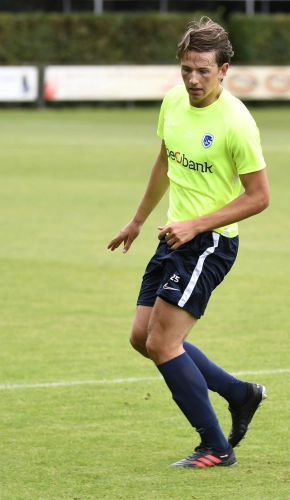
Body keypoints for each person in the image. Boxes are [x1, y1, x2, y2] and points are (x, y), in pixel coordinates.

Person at [107, 17, 270, 468]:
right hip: (174, 235)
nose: (192, 80)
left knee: (163, 343)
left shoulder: (237, 123)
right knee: (143, 338)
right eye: (186, 70)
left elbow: (260, 198)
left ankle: (215, 447)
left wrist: (198, 225)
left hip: (211, 242)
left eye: (202, 71)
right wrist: (137, 221)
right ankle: (240, 394)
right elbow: (164, 161)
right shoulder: (174, 103)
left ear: (224, 70)